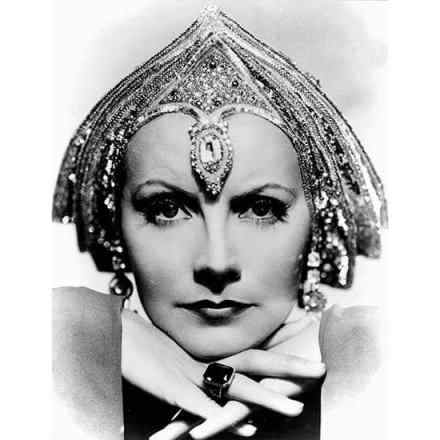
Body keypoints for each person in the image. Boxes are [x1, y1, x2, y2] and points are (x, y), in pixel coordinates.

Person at [52, 6, 387, 440]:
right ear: (116, 230)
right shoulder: (46, 369)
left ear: (316, 228)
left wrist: (365, 351)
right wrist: (77, 330)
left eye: (261, 209)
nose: (216, 262)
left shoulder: (395, 375)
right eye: (166, 209)